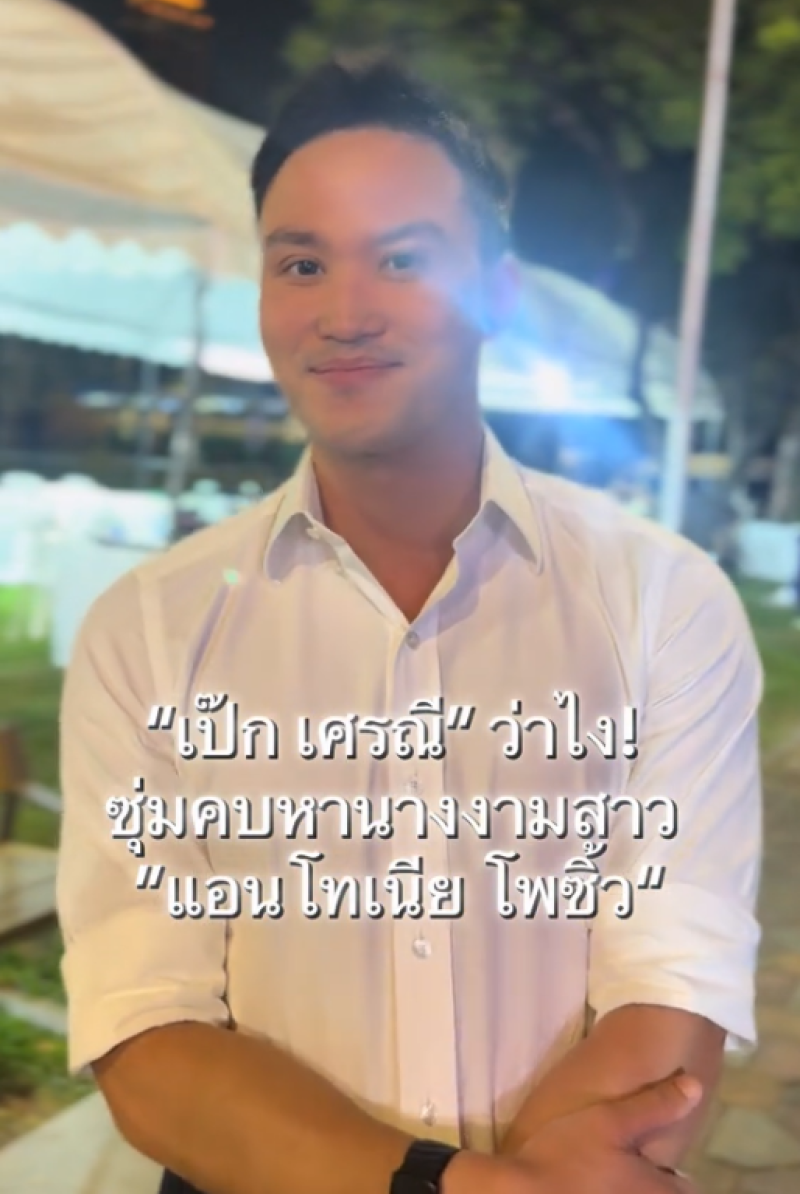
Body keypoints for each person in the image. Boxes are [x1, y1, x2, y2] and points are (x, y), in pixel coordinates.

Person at [57, 58, 763, 1194]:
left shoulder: (659, 602)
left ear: (499, 294)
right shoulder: (148, 629)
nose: (345, 313)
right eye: (302, 263)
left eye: (402, 259)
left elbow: (672, 976)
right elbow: (146, 1028)